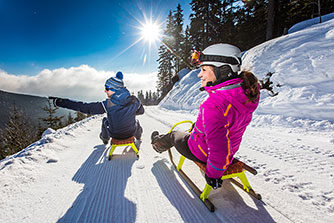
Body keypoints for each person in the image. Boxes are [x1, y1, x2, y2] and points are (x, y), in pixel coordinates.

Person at [151, 43, 260, 189]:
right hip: (231, 149)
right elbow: (225, 127)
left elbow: (219, 144)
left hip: (202, 152)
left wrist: (213, 173)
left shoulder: (213, 103)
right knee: (195, 127)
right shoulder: (246, 94)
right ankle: (182, 136)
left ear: (223, 70)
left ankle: (157, 144)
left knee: (174, 134)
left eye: (203, 69)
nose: (199, 74)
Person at [49, 71, 144, 148]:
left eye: (107, 88)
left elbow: (84, 107)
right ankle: (138, 136)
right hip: (130, 132)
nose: (105, 91)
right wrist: (129, 111)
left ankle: (105, 138)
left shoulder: (108, 104)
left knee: (105, 121)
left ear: (114, 90)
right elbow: (141, 111)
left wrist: (61, 102)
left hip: (115, 134)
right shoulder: (134, 101)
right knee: (136, 121)